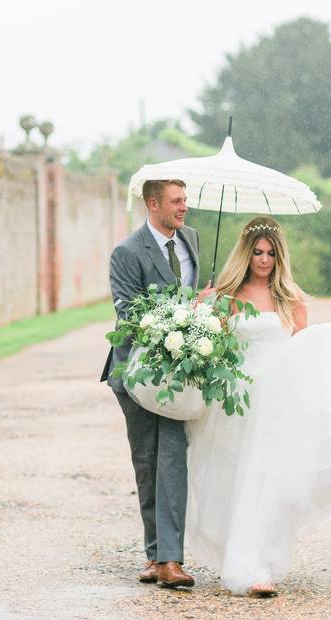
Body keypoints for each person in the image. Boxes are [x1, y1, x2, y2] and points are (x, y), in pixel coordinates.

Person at [189, 216, 331, 597]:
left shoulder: (291, 299)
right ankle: (234, 551)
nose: (264, 259)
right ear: (245, 254)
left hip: (276, 398)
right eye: (257, 252)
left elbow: (303, 350)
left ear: (279, 255)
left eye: (271, 253)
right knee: (233, 476)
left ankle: (260, 566)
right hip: (235, 398)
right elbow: (211, 344)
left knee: (268, 479)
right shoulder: (226, 297)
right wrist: (201, 309)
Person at [101, 179, 201, 588]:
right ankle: (155, 554)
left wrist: (202, 310)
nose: (184, 208)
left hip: (181, 375)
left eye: (185, 200)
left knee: (173, 458)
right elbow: (127, 311)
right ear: (153, 203)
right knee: (147, 463)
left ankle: (171, 560)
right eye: (176, 201)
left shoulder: (192, 238)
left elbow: (195, 291)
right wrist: (178, 318)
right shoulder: (126, 252)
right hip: (136, 371)